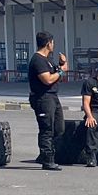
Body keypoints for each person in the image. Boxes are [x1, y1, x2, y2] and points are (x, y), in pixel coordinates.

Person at [27, 31, 68, 171]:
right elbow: (47, 79)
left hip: (53, 96)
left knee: (59, 128)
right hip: (42, 97)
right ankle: (47, 159)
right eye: (52, 43)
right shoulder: (38, 60)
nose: (53, 45)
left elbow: (57, 75)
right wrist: (61, 71)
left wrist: (61, 65)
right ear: (48, 43)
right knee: (46, 129)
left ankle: (45, 154)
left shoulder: (48, 60)